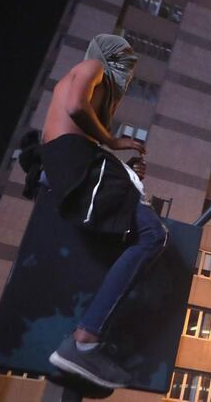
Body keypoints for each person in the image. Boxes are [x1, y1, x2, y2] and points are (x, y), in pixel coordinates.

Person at [39, 34, 169, 389]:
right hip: (72, 156)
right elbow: (77, 107)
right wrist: (112, 141)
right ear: (108, 56)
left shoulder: (86, 92)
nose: (126, 70)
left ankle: (87, 338)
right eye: (124, 61)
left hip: (68, 160)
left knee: (133, 225)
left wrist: (123, 168)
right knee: (153, 235)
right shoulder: (91, 66)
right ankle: (85, 340)